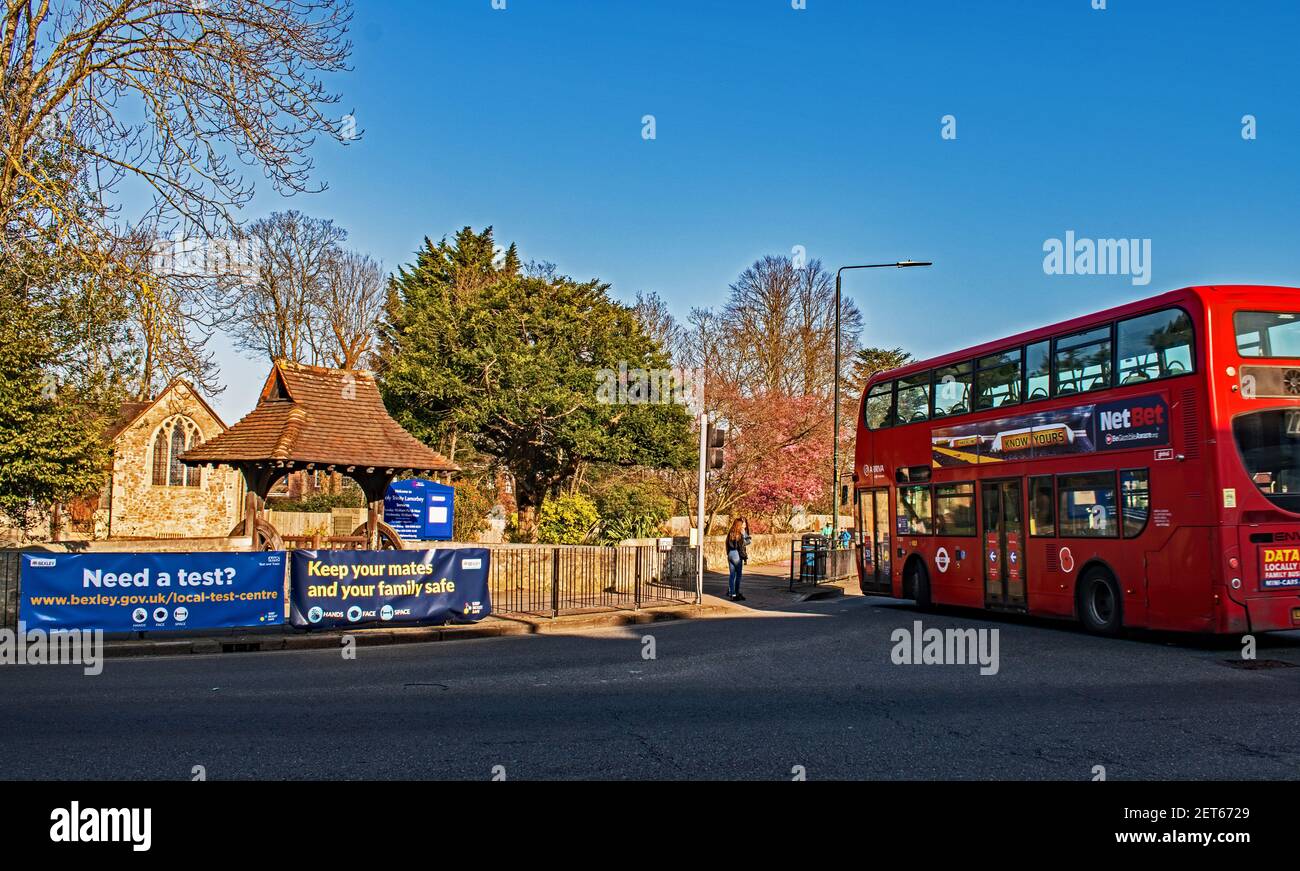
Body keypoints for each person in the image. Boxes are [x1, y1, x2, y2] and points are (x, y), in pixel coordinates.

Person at [726, 518, 748, 601]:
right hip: (737, 555)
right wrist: (744, 534)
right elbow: (743, 544)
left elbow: (727, 544)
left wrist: (728, 554)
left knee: (732, 575)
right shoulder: (740, 534)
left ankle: (732, 593)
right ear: (739, 525)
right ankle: (737, 593)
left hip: (730, 554)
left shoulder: (730, 533)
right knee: (738, 575)